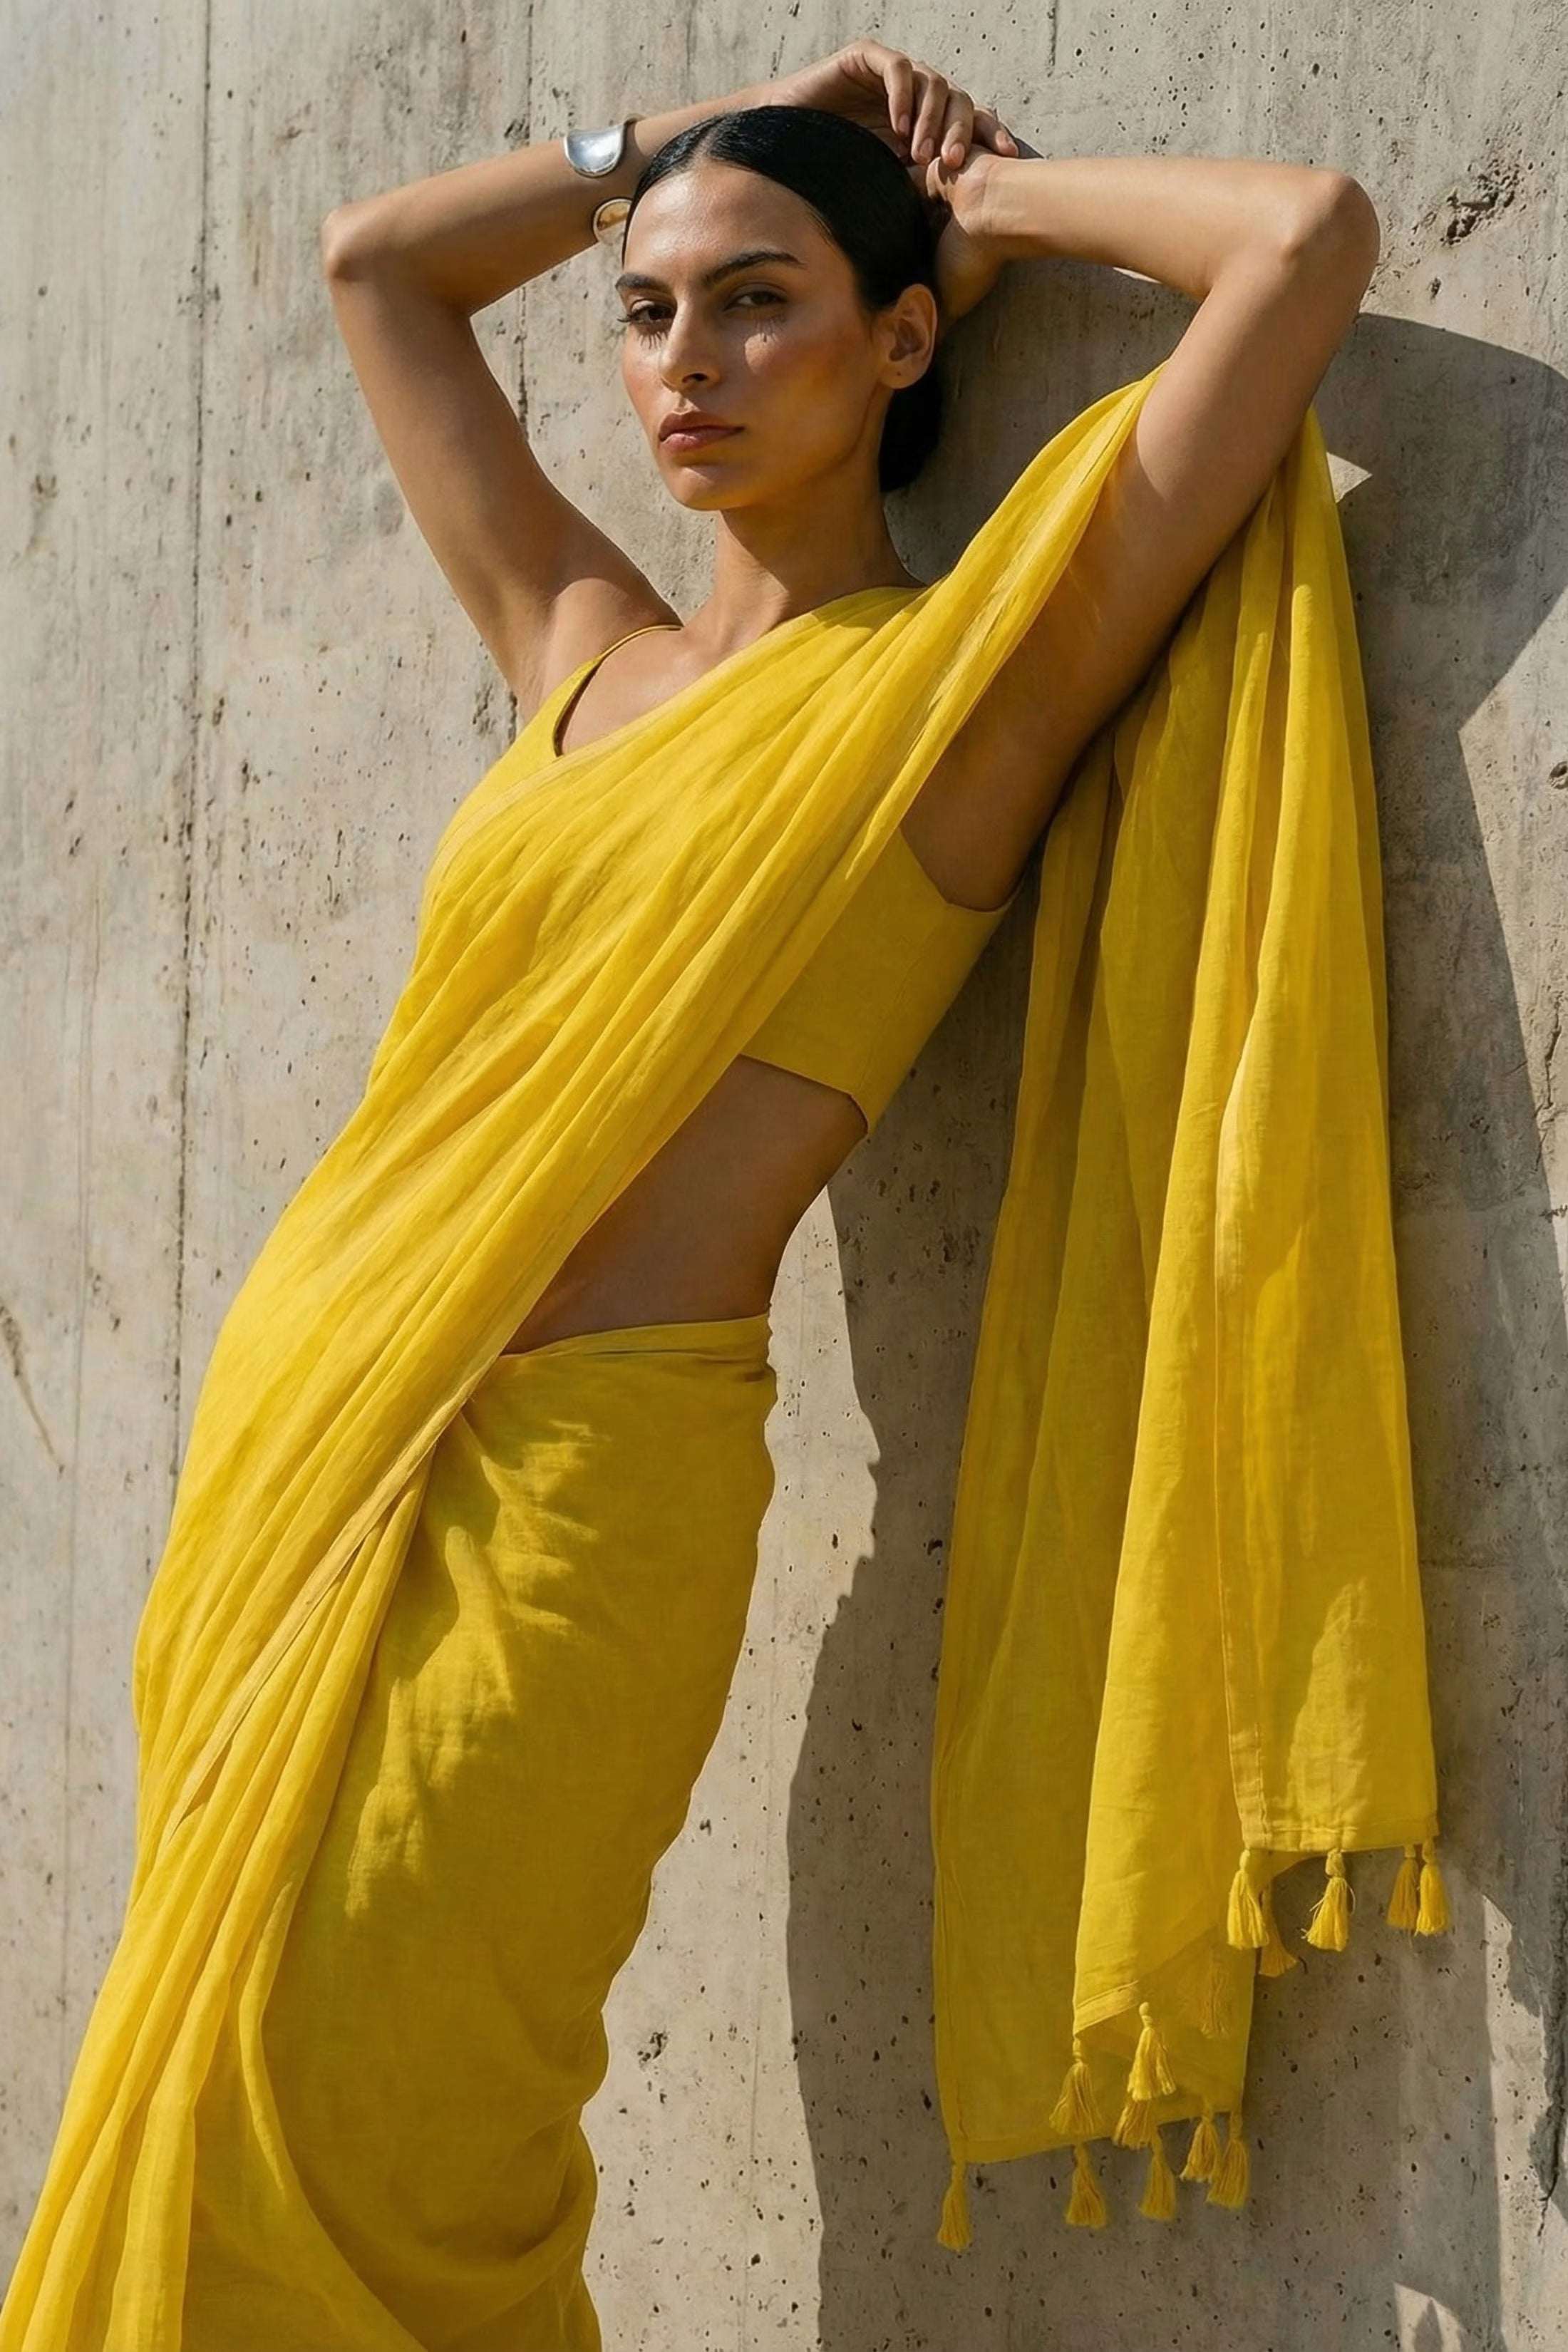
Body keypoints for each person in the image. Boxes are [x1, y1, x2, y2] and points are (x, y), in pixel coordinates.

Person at [1, 40, 1398, 2352]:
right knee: (229, 2098)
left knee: (376, 2134)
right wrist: (664, 153)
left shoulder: (960, 687)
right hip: (301, 1478)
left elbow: (1302, 244)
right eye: (650, 314)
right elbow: (377, 274)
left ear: (898, 339)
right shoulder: (579, 648)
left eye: (761, 305)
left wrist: (972, 201)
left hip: (576, 1514)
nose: (687, 365)